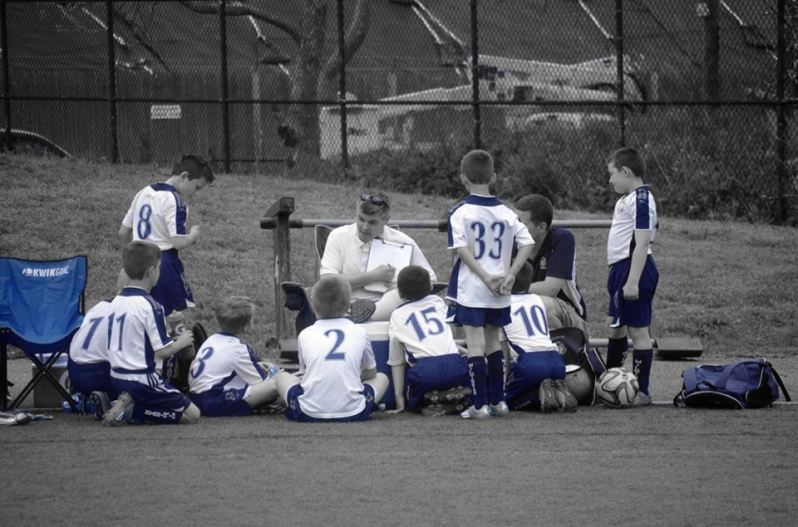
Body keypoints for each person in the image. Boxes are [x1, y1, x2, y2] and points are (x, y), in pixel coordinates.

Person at [447, 149, 535, 419]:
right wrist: (511, 274)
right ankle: (499, 402)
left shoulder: (459, 212)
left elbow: (461, 250)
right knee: (493, 342)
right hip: (500, 289)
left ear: (463, 178)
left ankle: (479, 405)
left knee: (475, 345)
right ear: (493, 177)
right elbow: (528, 243)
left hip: (474, 288)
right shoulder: (507, 212)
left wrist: (484, 277)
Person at [103, 241, 201, 426]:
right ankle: (132, 411)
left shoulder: (115, 302)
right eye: (159, 268)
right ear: (151, 271)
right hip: (142, 379)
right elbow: (163, 352)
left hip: (115, 377)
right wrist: (182, 341)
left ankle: (123, 405)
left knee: (164, 406)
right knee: (193, 415)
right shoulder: (151, 305)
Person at [274, 275, 390, 422]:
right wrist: (350, 377)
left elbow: (304, 374)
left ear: (313, 305)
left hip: (307, 412)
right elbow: (371, 373)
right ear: (348, 305)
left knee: (281, 377)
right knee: (382, 378)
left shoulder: (305, 334)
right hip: (355, 411)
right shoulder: (360, 332)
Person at [118, 154, 214, 317]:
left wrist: (130, 260)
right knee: (168, 318)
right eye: (197, 187)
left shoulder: (144, 192)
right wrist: (193, 235)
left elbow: (123, 232)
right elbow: (178, 242)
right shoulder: (175, 201)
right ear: (184, 176)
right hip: (163, 265)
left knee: (137, 314)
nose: (195, 193)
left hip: (135, 263)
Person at [318, 191, 438, 322]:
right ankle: (363, 315)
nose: (365, 227)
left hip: (391, 307)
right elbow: (327, 282)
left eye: (372, 222)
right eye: (361, 219)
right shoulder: (339, 236)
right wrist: (373, 276)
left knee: (397, 296)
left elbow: (431, 281)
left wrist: (403, 287)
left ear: (386, 220)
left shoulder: (403, 241)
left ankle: (367, 315)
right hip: (347, 305)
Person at [605, 147, 659, 406]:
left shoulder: (641, 199)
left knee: (638, 331)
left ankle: (642, 391)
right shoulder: (627, 199)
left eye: (612, 174)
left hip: (634, 270)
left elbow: (642, 243)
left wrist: (633, 280)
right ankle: (608, 385)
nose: (610, 180)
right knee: (616, 329)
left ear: (626, 171)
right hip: (620, 270)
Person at [387, 265, 470, 414]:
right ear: (431, 287)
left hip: (425, 371)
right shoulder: (438, 302)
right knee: (464, 376)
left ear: (399, 292)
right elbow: (442, 339)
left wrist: (399, 398)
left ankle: (432, 401)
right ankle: (454, 397)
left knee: (415, 393)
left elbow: (396, 361)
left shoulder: (397, 315)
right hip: (455, 365)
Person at [501, 262, 577, 412]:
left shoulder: (502, 305)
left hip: (530, 364)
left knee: (503, 401)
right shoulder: (537, 299)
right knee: (532, 383)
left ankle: (538, 396)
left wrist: (504, 381)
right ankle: (557, 392)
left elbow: (504, 353)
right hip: (556, 361)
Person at [188, 296, 281, 417]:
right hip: (214, 401)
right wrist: (275, 371)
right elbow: (260, 382)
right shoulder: (239, 348)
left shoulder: (210, 340)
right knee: (274, 385)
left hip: (195, 398)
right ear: (246, 326)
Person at [513, 194, 587, 320]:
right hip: (525, 306)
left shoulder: (562, 238)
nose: (514, 227)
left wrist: (510, 291)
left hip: (566, 312)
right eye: (514, 221)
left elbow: (550, 289)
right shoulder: (513, 241)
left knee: (542, 305)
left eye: (521, 224)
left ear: (542, 227)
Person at [66, 270, 127, 418]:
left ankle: (86, 397)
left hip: (75, 371)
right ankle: (114, 401)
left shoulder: (98, 307)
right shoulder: (133, 310)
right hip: (102, 374)